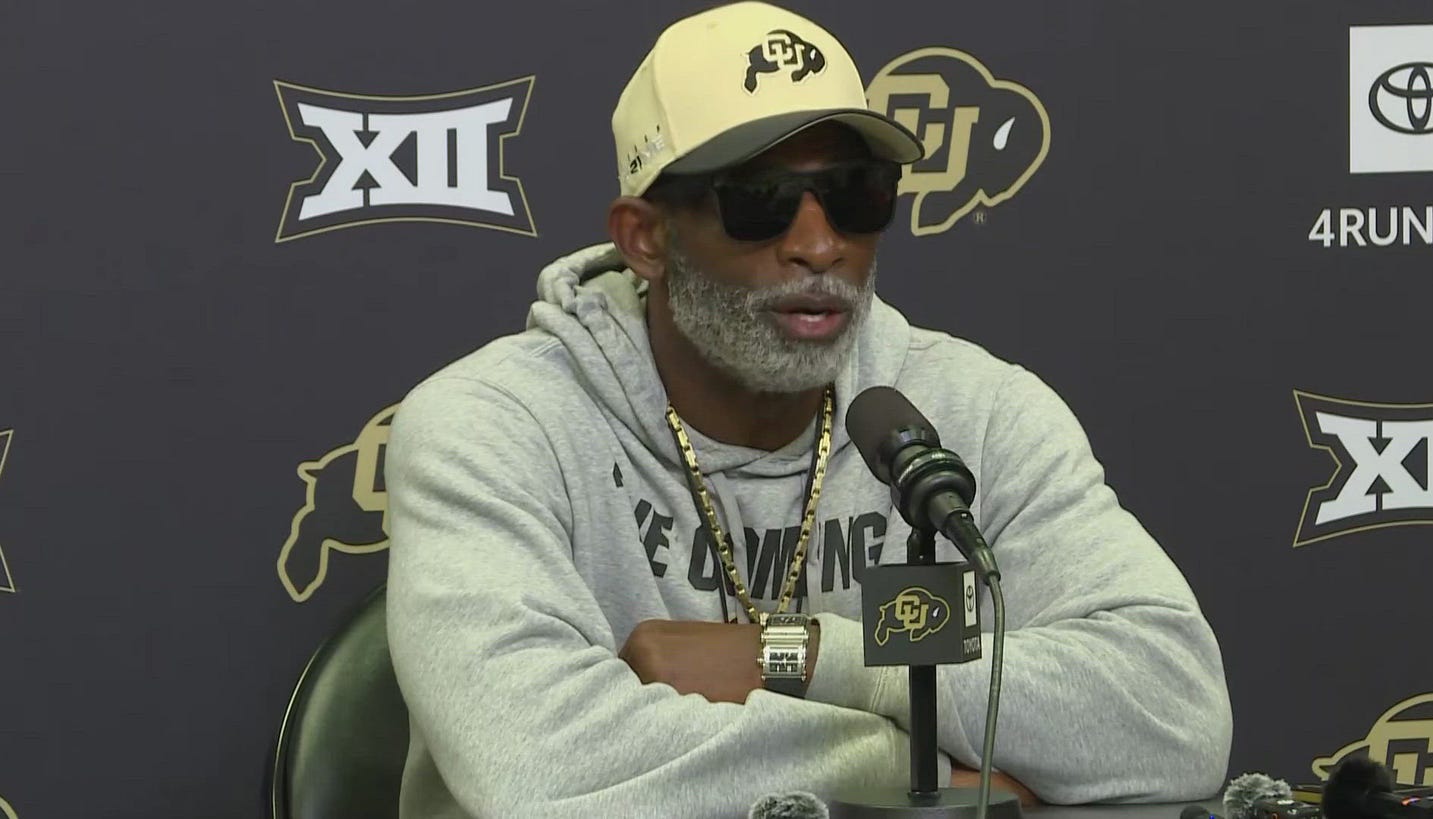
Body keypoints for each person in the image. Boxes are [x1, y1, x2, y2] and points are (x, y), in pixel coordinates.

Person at [383, 2, 1233, 817]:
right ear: (646, 236)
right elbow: (535, 763)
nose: (820, 245)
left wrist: (806, 656)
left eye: (856, 194)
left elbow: (1174, 711)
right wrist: (925, 776)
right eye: (760, 202)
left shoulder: (977, 412)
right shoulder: (493, 426)